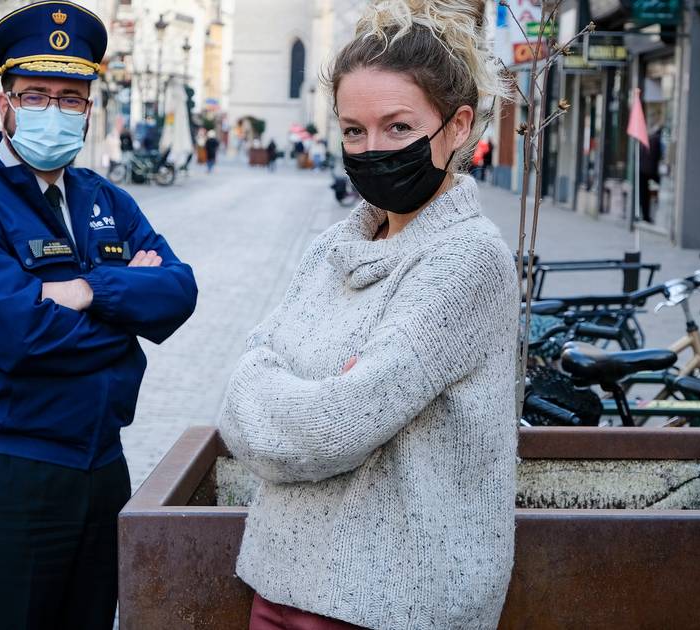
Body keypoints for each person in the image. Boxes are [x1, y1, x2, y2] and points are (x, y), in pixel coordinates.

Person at [217, 1, 518, 629]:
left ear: (457, 126)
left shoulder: (467, 260)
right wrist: (309, 390)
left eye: (398, 128)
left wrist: (294, 389)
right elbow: (239, 388)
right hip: (281, 584)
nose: (372, 149)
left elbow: (338, 428)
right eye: (354, 130)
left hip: (393, 603)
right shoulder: (334, 247)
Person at [0, 3, 197, 628]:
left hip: (100, 470)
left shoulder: (105, 199)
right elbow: (17, 335)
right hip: (5, 469)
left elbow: (178, 293)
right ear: (6, 105)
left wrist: (88, 292)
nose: (55, 110)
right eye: (36, 94)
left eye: (71, 98)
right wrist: (126, 313)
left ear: (89, 110)